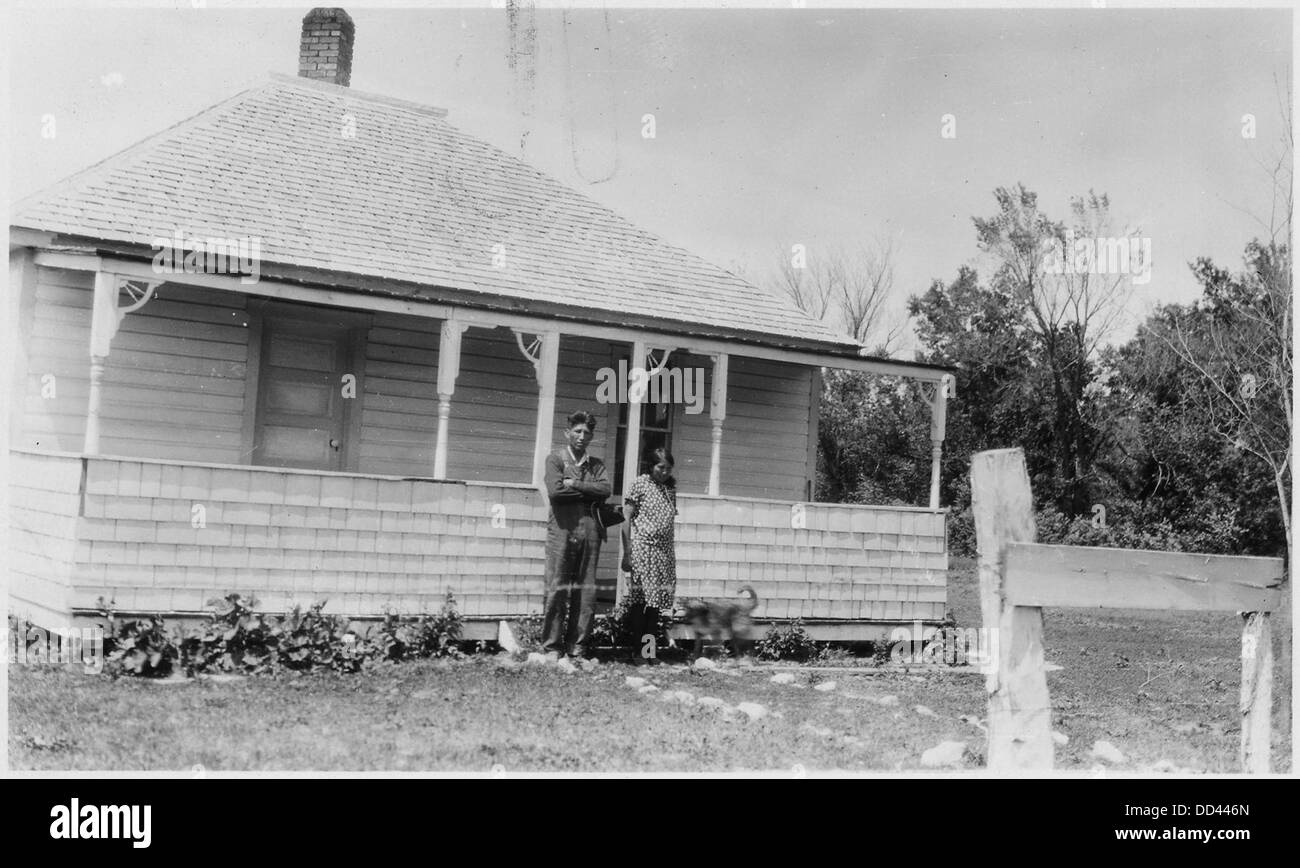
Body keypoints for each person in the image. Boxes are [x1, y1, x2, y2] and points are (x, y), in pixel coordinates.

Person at [541, 410, 611, 660]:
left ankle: (577, 647)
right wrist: (588, 492)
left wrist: (576, 484)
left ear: (592, 435)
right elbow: (556, 492)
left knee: (586, 590)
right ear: (567, 433)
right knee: (557, 587)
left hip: (591, 531)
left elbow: (605, 489)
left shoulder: (596, 465)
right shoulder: (555, 459)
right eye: (577, 431)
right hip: (562, 530)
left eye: (587, 432)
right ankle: (551, 646)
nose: (582, 436)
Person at [621, 446, 678, 662]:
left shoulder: (670, 490)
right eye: (660, 467)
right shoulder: (639, 484)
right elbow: (625, 519)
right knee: (641, 604)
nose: (664, 472)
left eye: (668, 468)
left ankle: (649, 653)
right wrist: (627, 553)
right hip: (643, 551)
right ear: (650, 465)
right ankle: (638, 652)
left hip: (664, 554)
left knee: (655, 607)